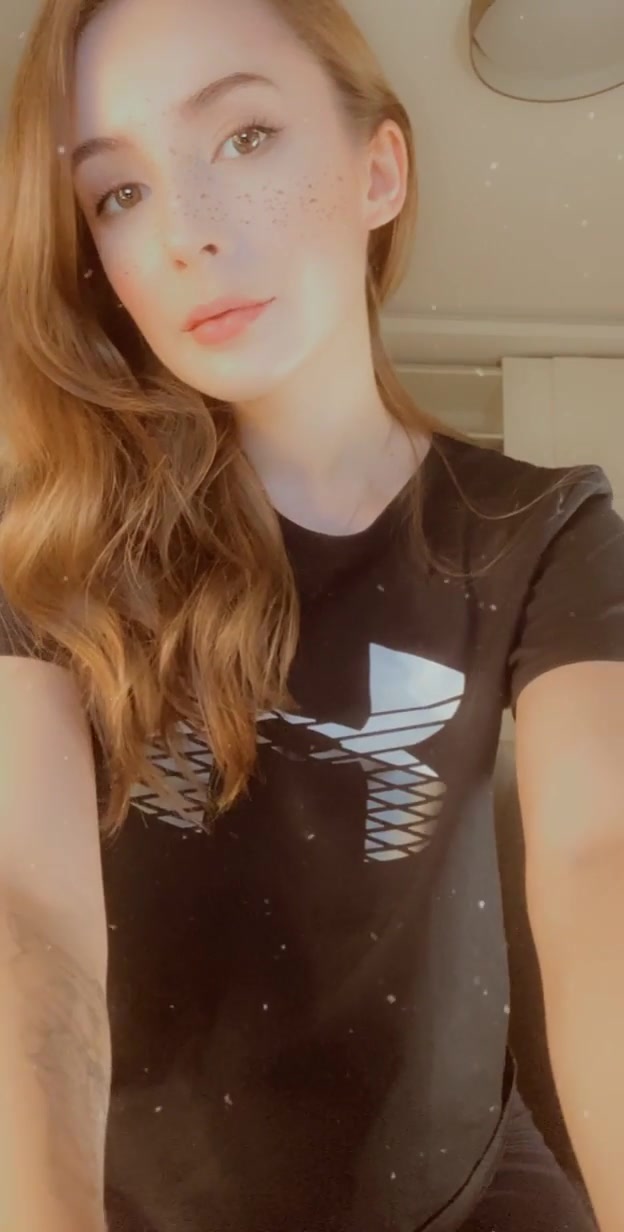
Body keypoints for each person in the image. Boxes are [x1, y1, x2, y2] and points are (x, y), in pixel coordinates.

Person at [0, 0, 622, 1229]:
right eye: (119, 192)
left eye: (243, 137)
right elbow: (33, 910)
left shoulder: (541, 529)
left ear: (377, 170)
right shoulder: (48, 552)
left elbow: (601, 859)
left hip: (471, 1191)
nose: (185, 231)